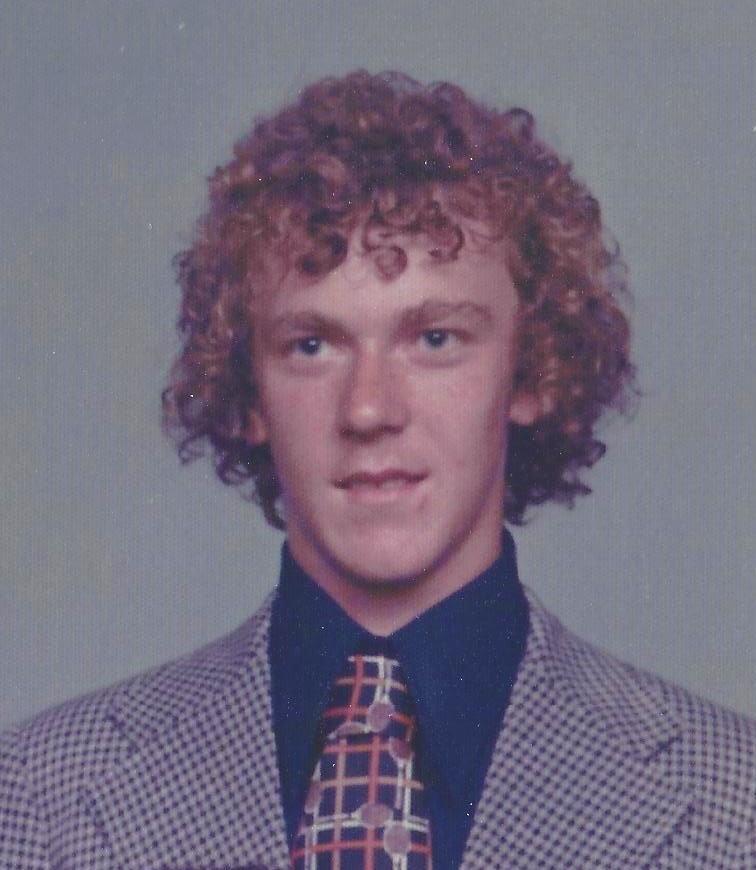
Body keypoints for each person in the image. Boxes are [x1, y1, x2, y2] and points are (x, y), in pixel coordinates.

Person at [1, 70, 754, 870]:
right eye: (312, 346)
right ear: (249, 393)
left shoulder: (735, 807)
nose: (368, 410)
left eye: (434, 339)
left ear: (532, 373)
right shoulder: (34, 794)